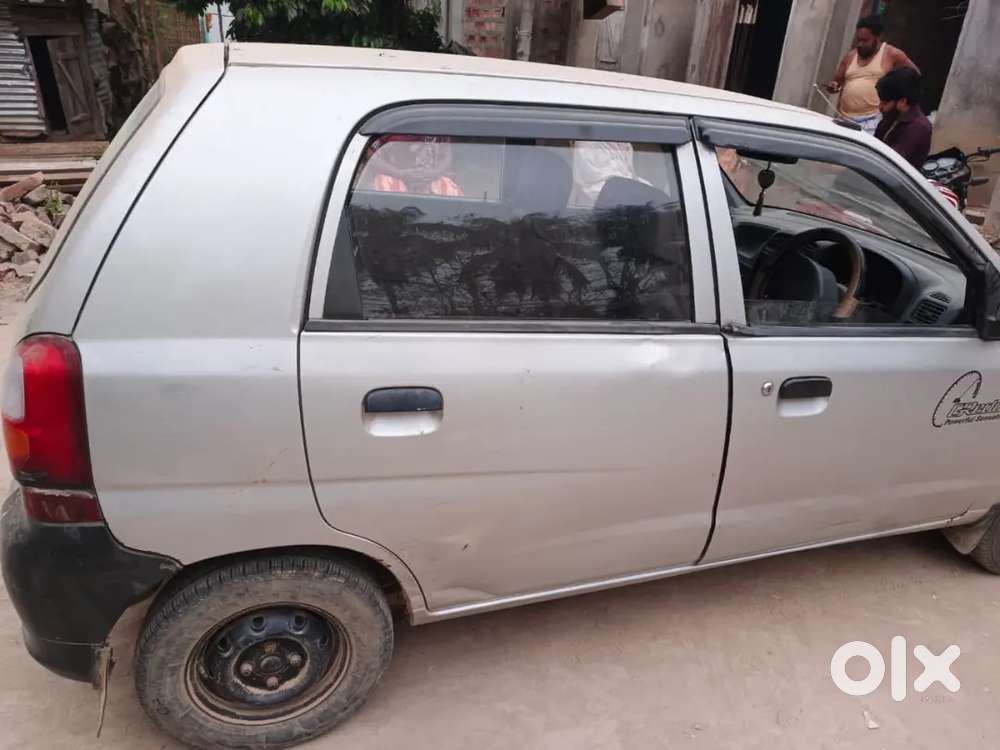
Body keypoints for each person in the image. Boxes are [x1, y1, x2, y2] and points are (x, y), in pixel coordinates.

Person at [826, 15, 919, 135]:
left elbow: (914, 76)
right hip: (844, 119)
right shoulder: (850, 56)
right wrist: (833, 86)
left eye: (865, 40)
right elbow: (837, 83)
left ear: (877, 37)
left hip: (873, 121)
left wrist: (895, 99)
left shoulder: (892, 54)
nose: (860, 44)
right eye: (858, 40)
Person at [874, 68, 933, 170]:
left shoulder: (917, 128)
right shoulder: (892, 117)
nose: (880, 107)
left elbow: (889, 163)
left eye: (885, 102)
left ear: (903, 101)